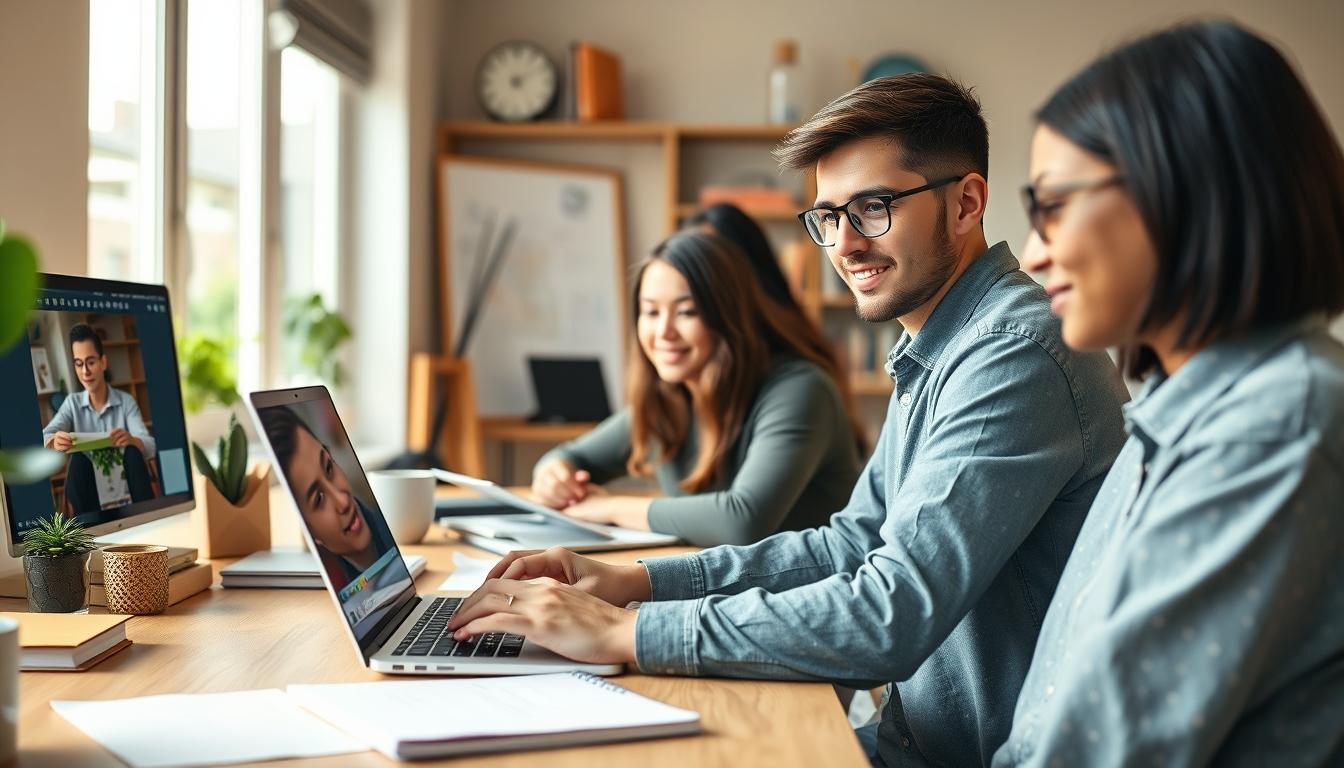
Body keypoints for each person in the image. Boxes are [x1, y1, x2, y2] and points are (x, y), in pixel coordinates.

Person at [450, 74, 1132, 766]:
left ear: (967, 203)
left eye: (873, 207)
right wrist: (636, 583)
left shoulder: (1009, 355)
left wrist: (626, 632)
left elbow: (887, 613)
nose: (844, 244)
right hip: (912, 740)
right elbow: (849, 545)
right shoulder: (940, 349)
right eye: (828, 218)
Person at [994, 20, 1344, 766]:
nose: (1033, 251)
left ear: (1181, 189)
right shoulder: (1179, 408)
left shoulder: (1277, 423)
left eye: (1052, 205)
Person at [532, 229, 862, 547]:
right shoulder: (672, 395)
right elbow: (572, 456)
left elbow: (742, 520)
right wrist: (553, 474)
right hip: (721, 585)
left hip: (808, 592)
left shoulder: (801, 390)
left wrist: (609, 508)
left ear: (728, 316)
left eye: (687, 312)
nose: (663, 332)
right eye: (650, 311)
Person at [258, 406, 396, 590]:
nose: (343, 501)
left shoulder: (389, 531)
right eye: (319, 499)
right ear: (308, 530)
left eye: (329, 468)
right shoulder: (339, 587)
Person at [42, 323, 156, 516]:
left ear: (103, 362)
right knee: (77, 459)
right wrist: (54, 441)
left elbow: (150, 444)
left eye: (91, 362)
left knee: (133, 451)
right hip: (90, 494)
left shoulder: (126, 401)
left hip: (128, 485)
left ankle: (147, 519)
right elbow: (45, 436)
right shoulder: (72, 403)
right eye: (79, 363)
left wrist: (132, 440)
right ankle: (88, 531)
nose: (85, 371)